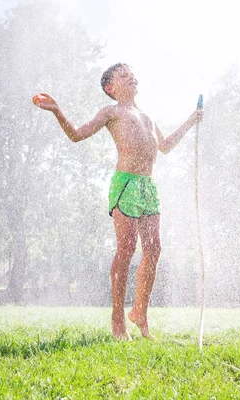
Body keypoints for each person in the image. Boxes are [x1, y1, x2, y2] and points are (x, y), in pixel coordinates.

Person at [34, 63, 203, 340]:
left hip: (148, 187)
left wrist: (191, 119)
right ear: (110, 88)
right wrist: (56, 110)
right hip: (125, 184)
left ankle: (139, 312)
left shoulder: (146, 116)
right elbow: (77, 134)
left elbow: (166, 145)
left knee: (154, 249)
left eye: (132, 73)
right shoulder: (111, 112)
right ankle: (117, 319)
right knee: (126, 250)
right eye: (123, 75)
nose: (131, 76)